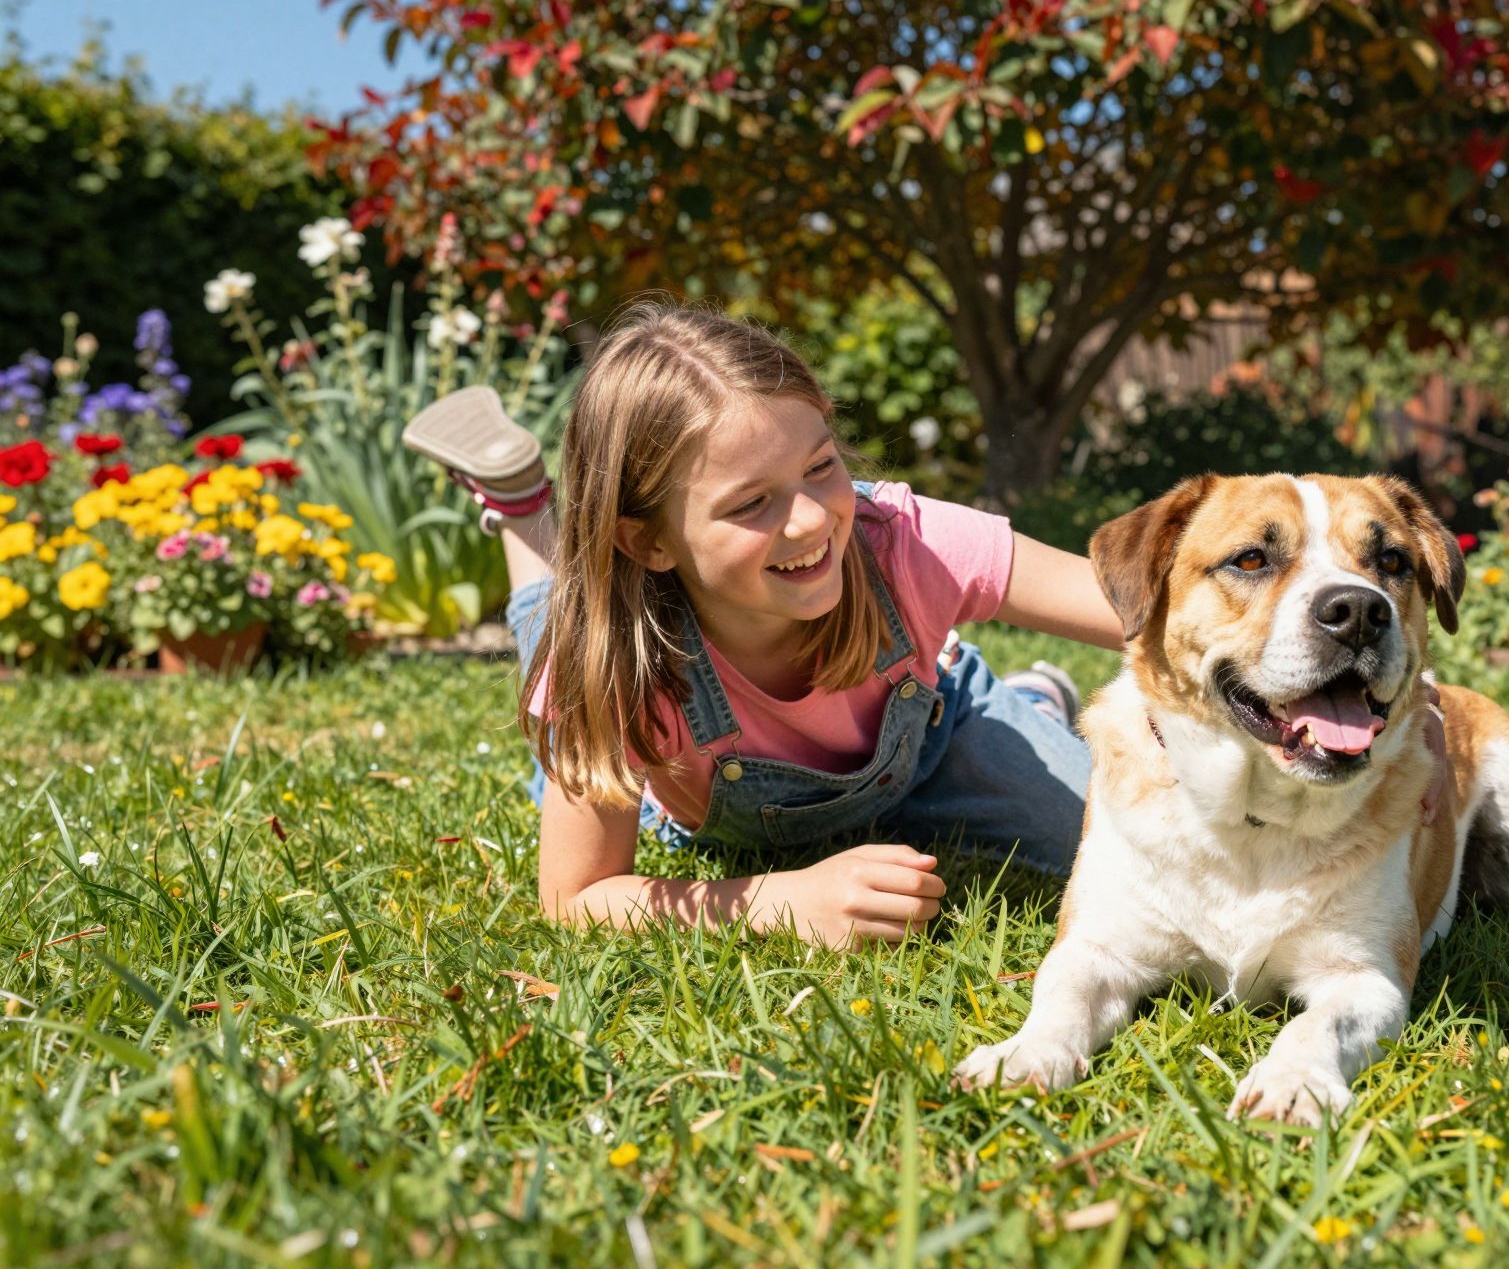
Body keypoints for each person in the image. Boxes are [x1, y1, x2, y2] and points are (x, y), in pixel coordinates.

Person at [403, 300, 1123, 949]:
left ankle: (1029, 705)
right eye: (751, 504)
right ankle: (527, 508)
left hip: (942, 731)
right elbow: (576, 897)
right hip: (644, 698)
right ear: (650, 540)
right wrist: (784, 900)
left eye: (820, 466)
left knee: (1114, 846)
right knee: (566, 626)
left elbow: (1138, 611)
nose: (811, 518)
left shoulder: (899, 540)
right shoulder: (614, 668)